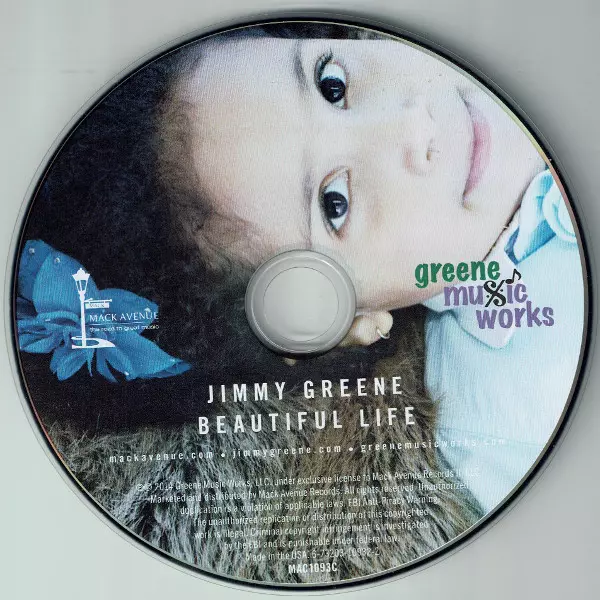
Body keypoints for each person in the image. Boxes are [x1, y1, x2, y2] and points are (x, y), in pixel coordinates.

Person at [15, 22, 585, 581]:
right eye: (335, 203)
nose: (412, 125)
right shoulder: (510, 423)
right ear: (346, 325)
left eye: (331, 83)